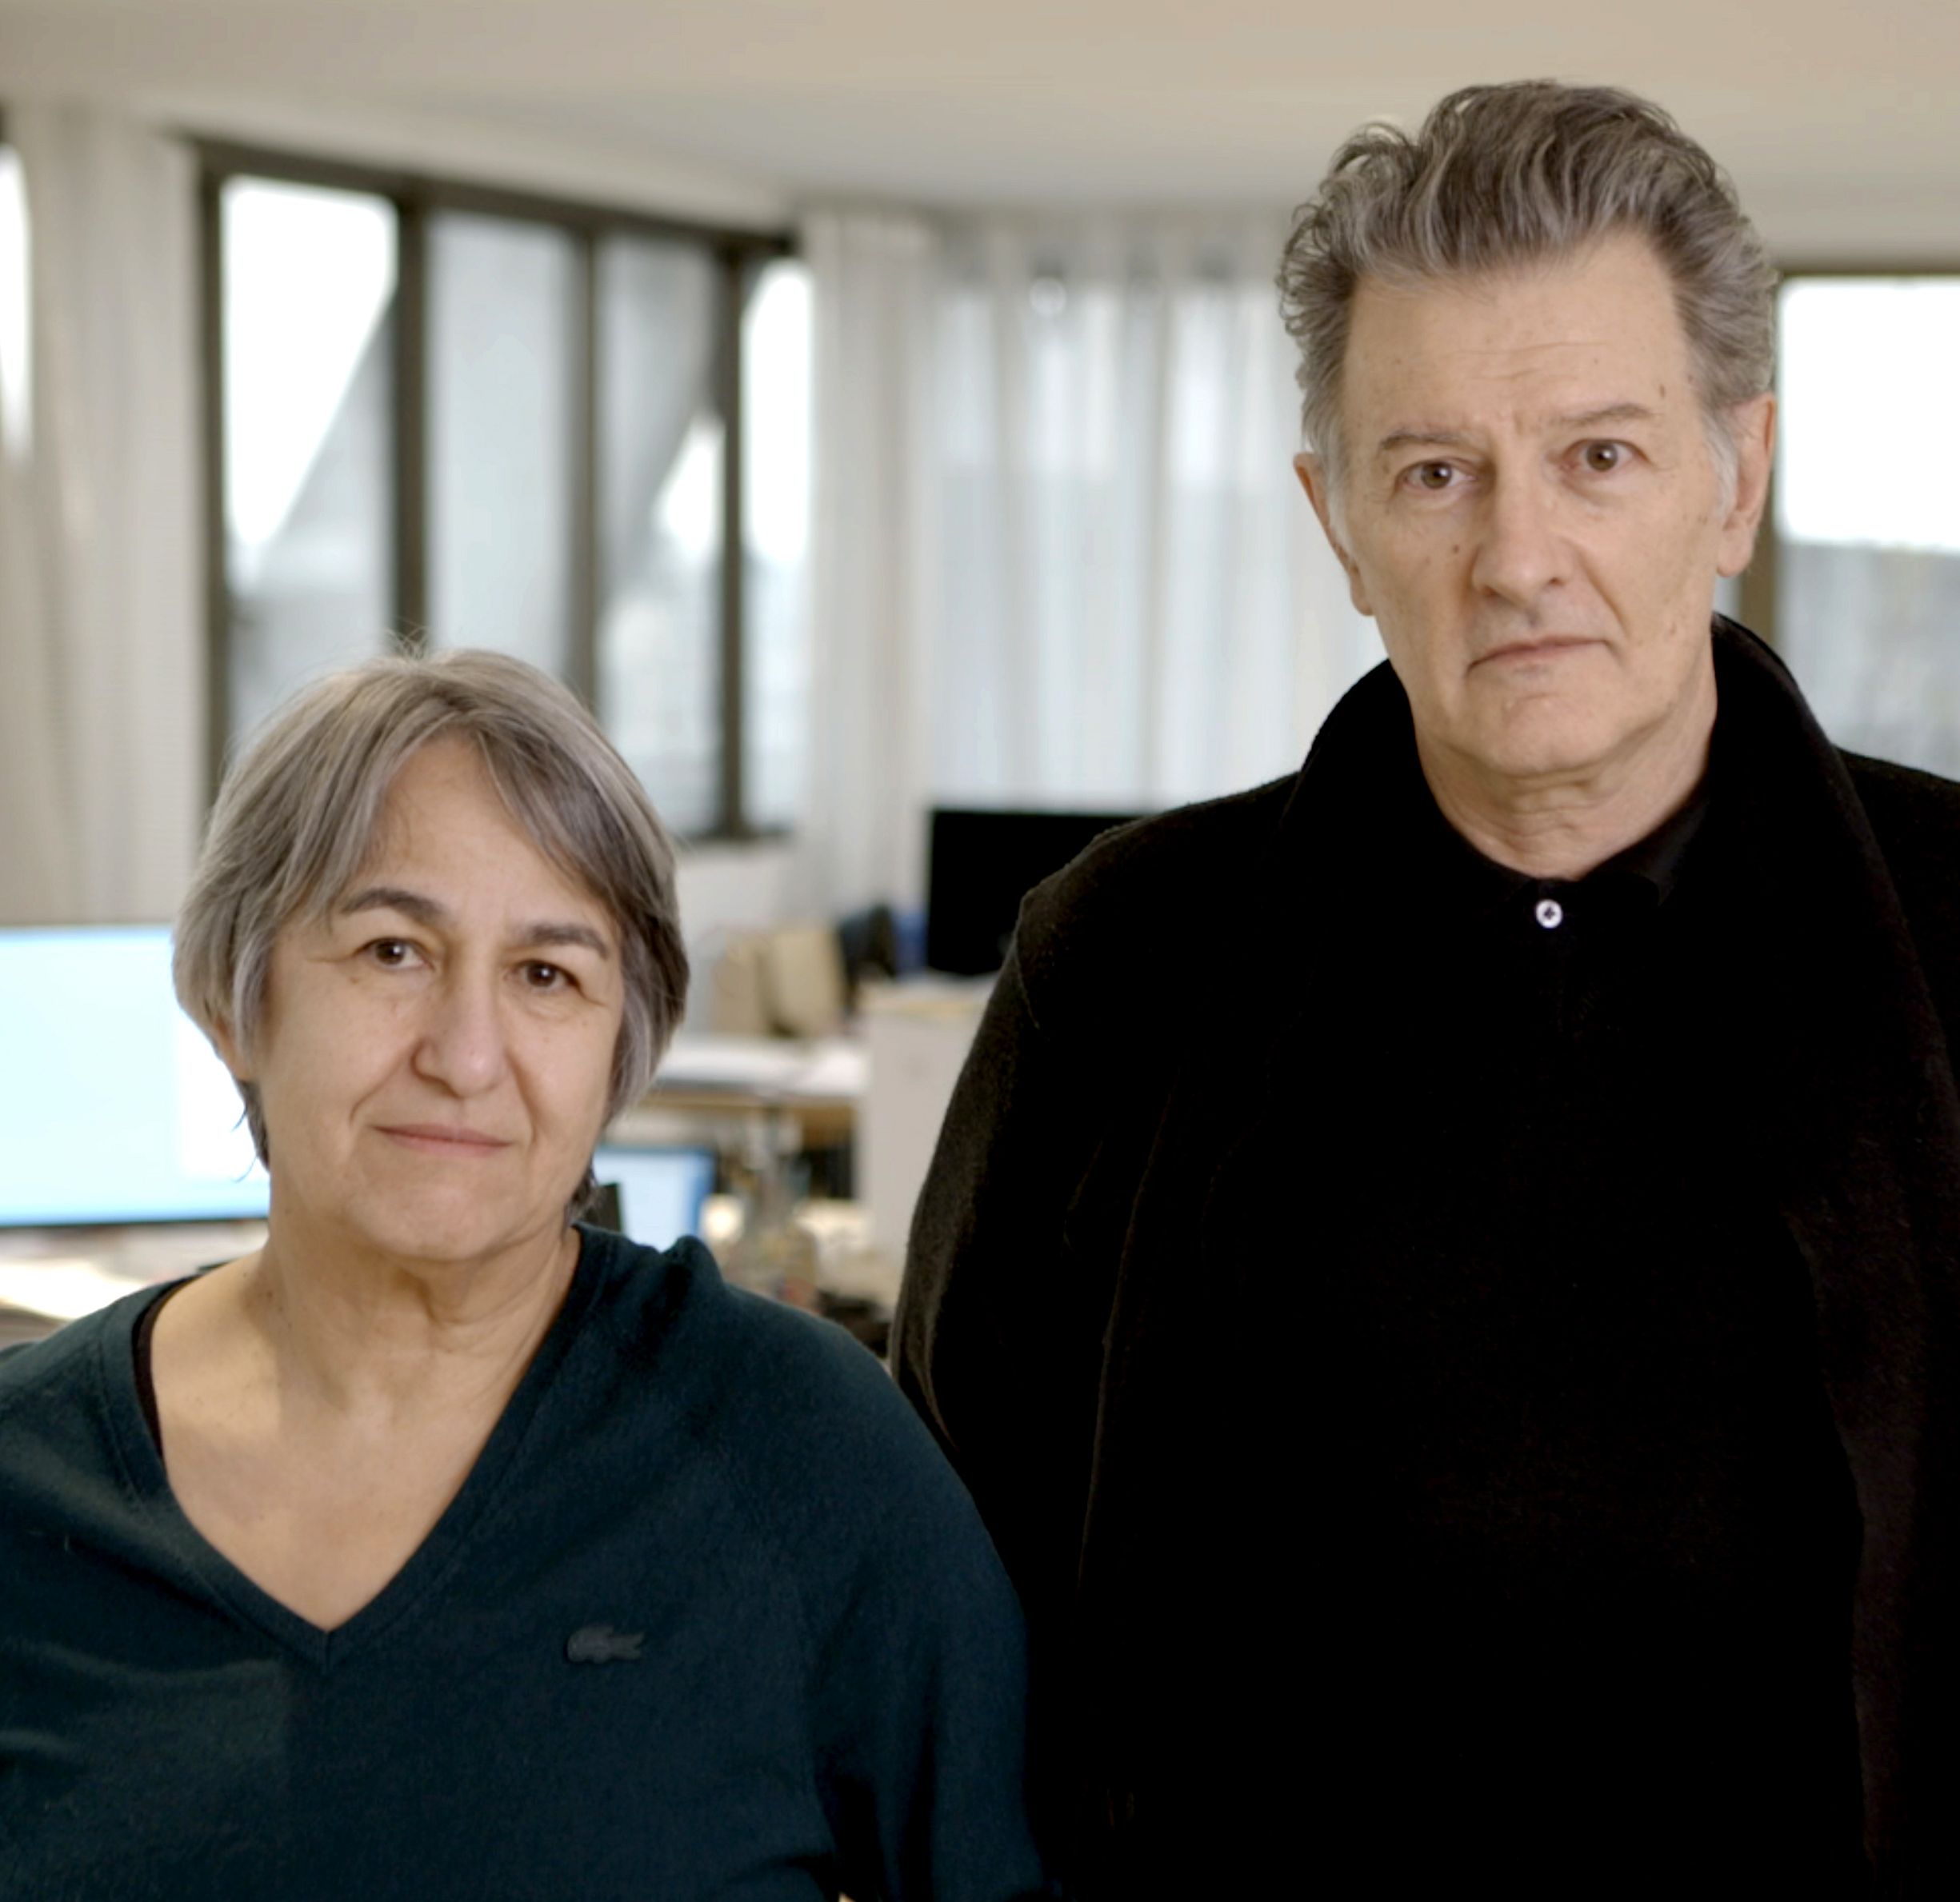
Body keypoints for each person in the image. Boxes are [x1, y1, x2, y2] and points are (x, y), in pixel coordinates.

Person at [894, 81, 1960, 1896]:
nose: (1518, 558)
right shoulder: (1117, 964)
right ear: (1338, 523)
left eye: (1598, 457)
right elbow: (947, 1581)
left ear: (1736, 479)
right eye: (1436, 472)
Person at [0, 650, 1052, 1902]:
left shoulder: (801, 1450)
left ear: (619, 1049)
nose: (465, 1054)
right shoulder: (26, 1477)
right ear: (237, 998)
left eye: (546, 973)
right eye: (392, 950)